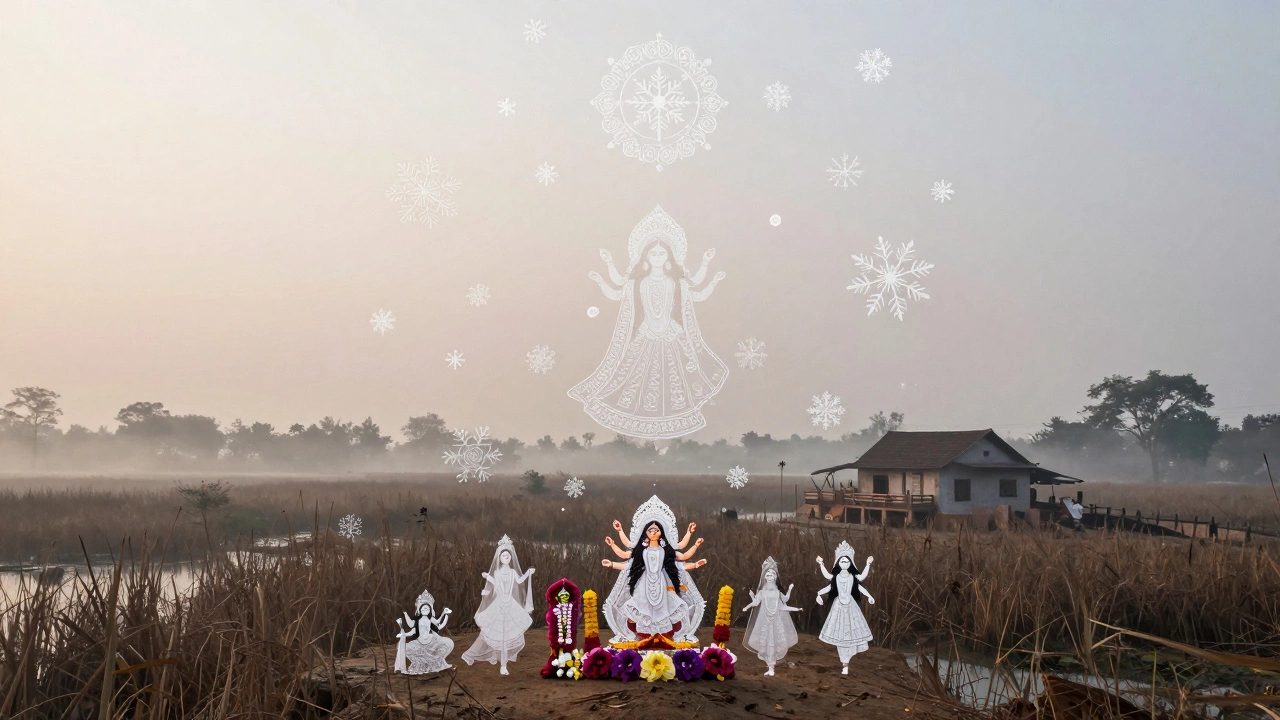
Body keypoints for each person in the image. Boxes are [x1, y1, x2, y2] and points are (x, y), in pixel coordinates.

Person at [568, 206, 728, 440]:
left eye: (662, 254)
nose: (658, 257)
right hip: (647, 335)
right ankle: (638, 432)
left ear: (669, 256)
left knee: (676, 384)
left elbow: (698, 292)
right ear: (645, 256)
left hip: (672, 336)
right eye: (653, 254)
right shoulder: (638, 282)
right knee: (632, 381)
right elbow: (616, 290)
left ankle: (675, 429)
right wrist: (605, 270)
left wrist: (708, 269)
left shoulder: (676, 282)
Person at [602, 495, 707, 645]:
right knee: (639, 608)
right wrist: (612, 554)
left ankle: (663, 637)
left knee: (665, 610)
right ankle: (643, 637)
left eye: (656, 530)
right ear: (645, 532)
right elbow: (626, 556)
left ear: (661, 532)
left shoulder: (666, 550)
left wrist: (695, 553)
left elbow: (682, 557)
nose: (653, 532)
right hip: (643, 584)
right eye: (650, 530)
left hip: (662, 584)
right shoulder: (641, 550)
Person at [462, 535, 535, 675]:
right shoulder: (497, 572)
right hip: (499, 604)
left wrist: (528, 573)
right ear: (499, 558)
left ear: (511, 557)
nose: (506, 558)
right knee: (495, 630)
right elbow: (495, 585)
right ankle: (499, 661)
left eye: (508, 556)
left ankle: (503, 663)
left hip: (510, 604)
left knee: (506, 633)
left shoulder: (513, 572)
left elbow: (520, 581)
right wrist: (488, 577)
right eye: (503, 556)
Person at [816, 541, 875, 675]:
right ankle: (844, 662)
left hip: (851, 607)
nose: (844, 563)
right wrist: (821, 564)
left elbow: (861, 581)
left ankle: (846, 662)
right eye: (842, 561)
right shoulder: (836, 577)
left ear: (851, 563)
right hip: (838, 607)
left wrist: (867, 564)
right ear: (838, 562)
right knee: (840, 634)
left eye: (847, 561)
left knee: (851, 632)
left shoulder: (853, 577)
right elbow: (828, 581)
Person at [741, 557, 801, 675]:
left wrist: (791, 594)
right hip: (765, 619)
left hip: (776, 619)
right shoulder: (762, 592)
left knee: (774, 639)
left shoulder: (777, 593)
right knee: (767, 640)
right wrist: (747, 606)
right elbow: (756, 602)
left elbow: (784, 602)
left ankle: (772, 666)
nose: (769, 577)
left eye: (771, 575)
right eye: (767, 575)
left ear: (775, 577)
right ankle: (770, 667)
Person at [394, 589, 453, 675]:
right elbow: (411, 627)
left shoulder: (431, 619)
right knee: (405, 647)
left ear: (430, 610)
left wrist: (445, 615)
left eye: (427, 609)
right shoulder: (417, 621)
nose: (425, 610)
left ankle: (434, 665)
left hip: (432, 640)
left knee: (446, 644)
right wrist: (403, 633)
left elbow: (439, 625)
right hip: (419, 641)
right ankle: (421, 666)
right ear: (419, 610)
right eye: (423, 608)